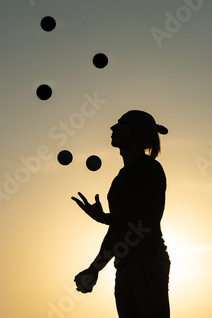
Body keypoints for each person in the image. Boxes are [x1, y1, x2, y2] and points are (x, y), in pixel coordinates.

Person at [71, 110, 170, 318]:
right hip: (125, 267)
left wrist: (105, 218)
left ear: (136, 134)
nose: (113, 128)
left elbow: (145, 220)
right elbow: (118, 230)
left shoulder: (150, 169)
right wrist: (94, 269)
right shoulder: (120, 179)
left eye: (121, 124)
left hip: (148, 263)